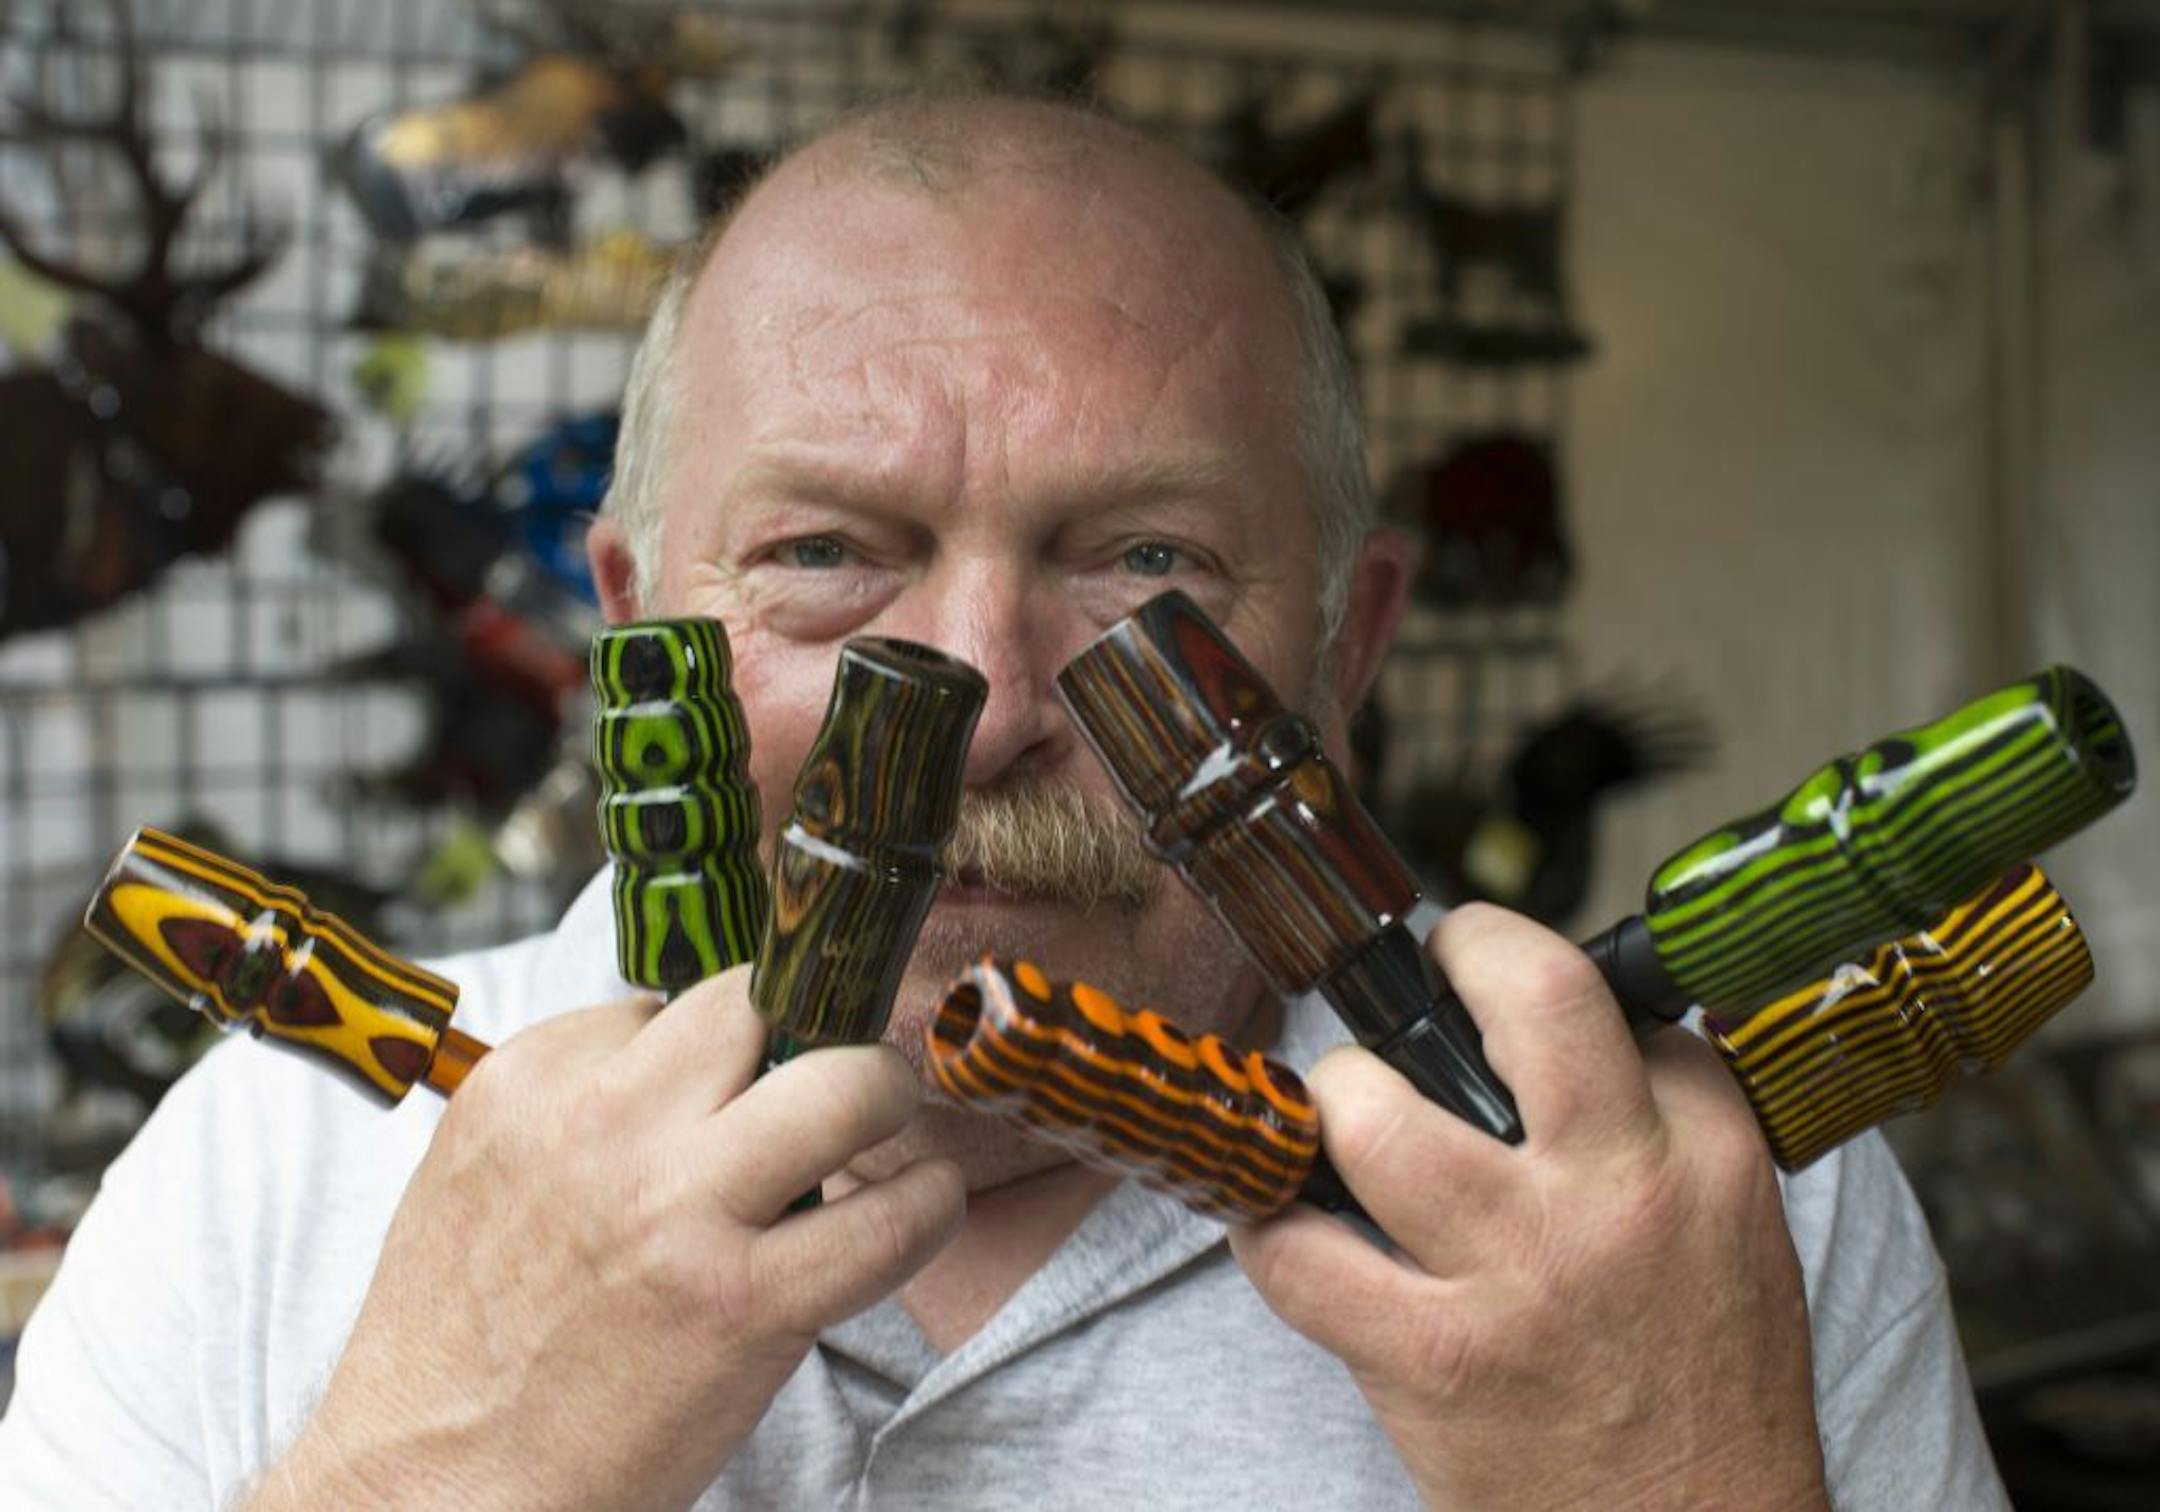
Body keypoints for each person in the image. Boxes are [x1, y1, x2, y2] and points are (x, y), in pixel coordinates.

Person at [0, 94, 2005, 1509]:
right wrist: (445, 1474)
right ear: (631, 628)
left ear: (1351, 646)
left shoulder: (1691, 1203)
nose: (978, 712)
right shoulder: (278, 1166)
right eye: (822, 556)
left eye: (1150, 565)